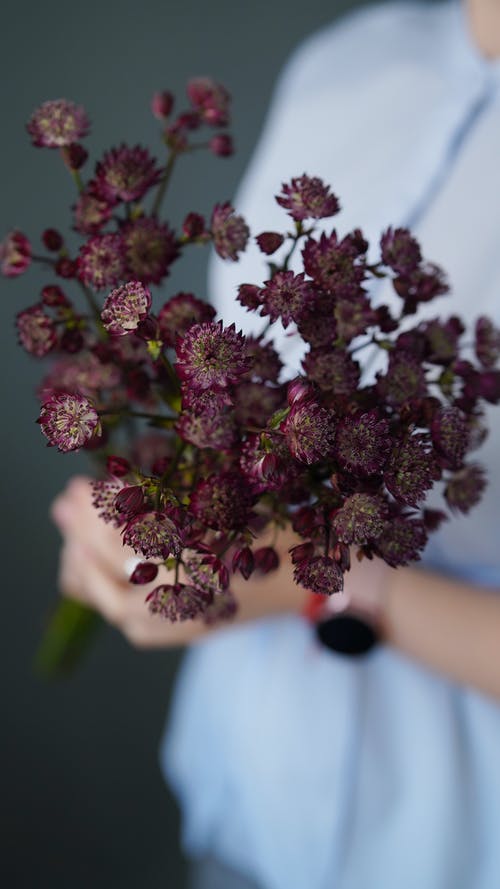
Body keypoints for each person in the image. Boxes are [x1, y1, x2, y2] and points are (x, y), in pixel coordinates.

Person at [51, 0, 500, 886]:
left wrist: (312, 573)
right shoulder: (347, 61)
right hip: (238, 794)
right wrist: (133, 531)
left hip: (444, 840)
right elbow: (234, 391)